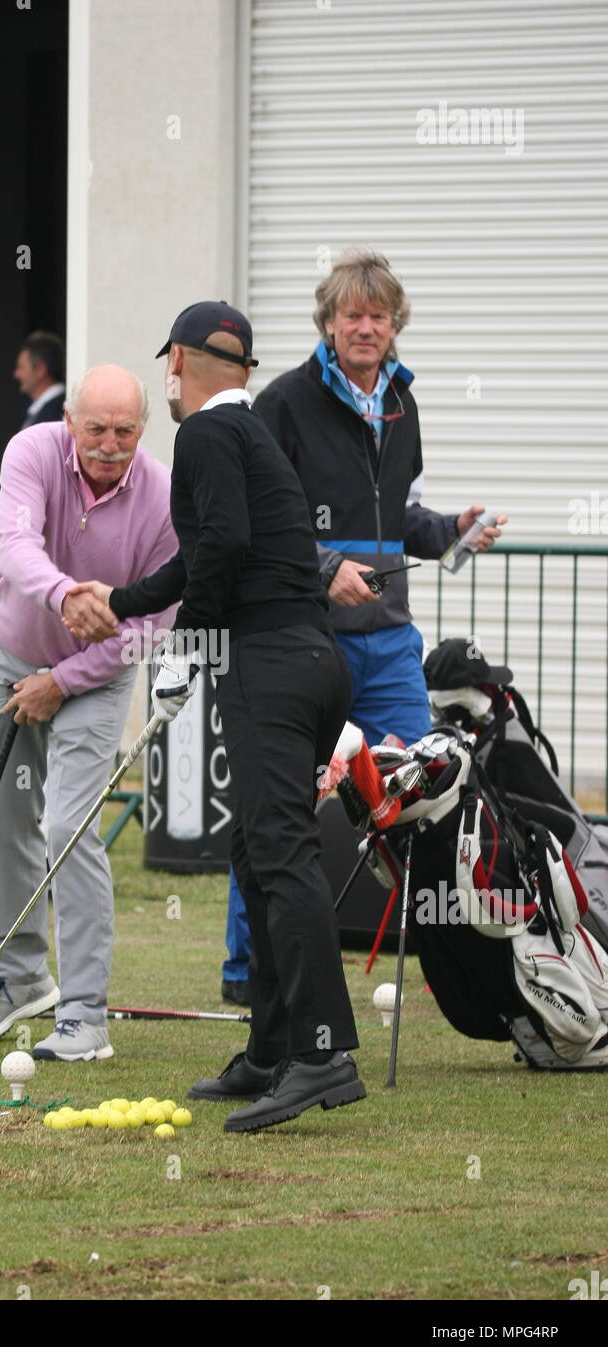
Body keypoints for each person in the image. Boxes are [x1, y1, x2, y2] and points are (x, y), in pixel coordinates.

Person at [65, 302, 365, 1133]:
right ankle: (271, 1050)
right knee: (258, 852)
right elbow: (204, 557)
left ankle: (319, 1054)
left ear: (184, 363)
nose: (166, 379)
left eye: (168, 364)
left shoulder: (202, 436)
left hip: (270, 667)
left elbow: (225, 548)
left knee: (279, 850)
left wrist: (183, 653)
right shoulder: (254, 432)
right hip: (311, 663)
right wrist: (121, 604)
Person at [222, 248, 509, 981]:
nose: (366, 326)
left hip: (388, 641)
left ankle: (448, 953)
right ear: (328, 321)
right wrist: (323, 571)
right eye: (352, 314)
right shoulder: (283, 403)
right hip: (303, 636)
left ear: (394, 323)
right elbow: (260, 520)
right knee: (279, 801)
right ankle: (248, 964)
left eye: (379, 315)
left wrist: (451, 530)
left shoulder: (403, 402)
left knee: (428, 790)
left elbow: (394, 521)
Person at [0, 365, 178, 1054]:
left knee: (69, 828)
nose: (109, 444)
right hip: (9, 653)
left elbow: (149, 627)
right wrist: (66, 595)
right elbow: (16, 548)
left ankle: (83, 1014)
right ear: (71, 422)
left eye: (125, 431)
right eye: (96, 428)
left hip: (97, 677)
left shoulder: (166, 497)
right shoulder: (31, 451)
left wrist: (64, 679)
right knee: (8, 822)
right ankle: (18, 979)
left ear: (143, 429)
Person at [0, 331, 66, 513]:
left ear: (40, 370)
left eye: (21, 367)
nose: (16, 374)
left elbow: (31, 469)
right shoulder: (43, 411)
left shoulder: (53, 415)